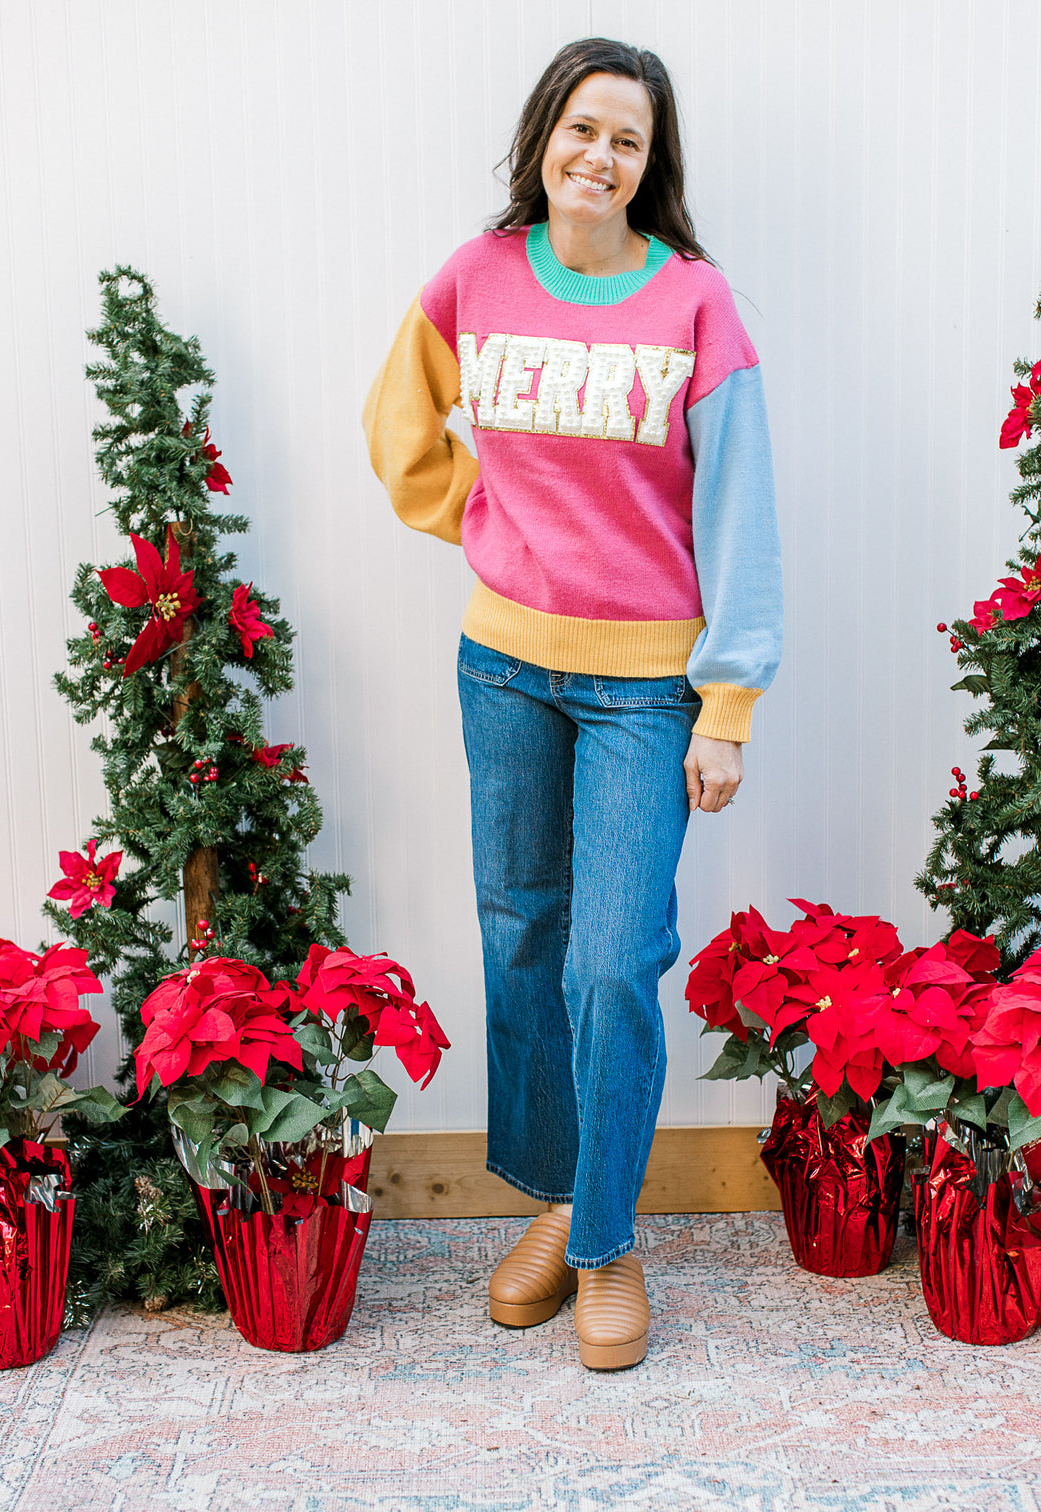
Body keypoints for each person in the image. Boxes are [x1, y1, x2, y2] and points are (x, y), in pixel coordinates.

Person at [363, 37, 782, 1371]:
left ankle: (605, 1241)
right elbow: (398, 428)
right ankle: (554, 1204)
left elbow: (743, 518)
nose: (599, 158)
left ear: (652, 168)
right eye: (582, 129)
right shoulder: (476, 279)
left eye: (628, 142)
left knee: (614, 961)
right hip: (503, 668)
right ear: (543, 134)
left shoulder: (697, 305)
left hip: (645, 688)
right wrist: (481, 519)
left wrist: (727, 707)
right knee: (524, 944)